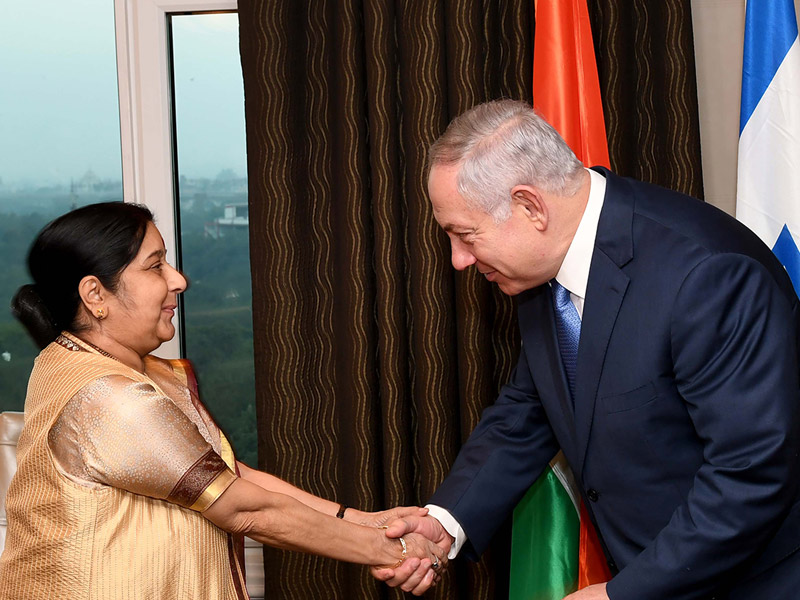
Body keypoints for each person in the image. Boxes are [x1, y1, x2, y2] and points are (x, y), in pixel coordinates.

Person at [374, 99, 800, 599]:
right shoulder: (541, 269)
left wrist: (622, 594)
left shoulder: (705, 275)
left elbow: (751, 473)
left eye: (465, 235)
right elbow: (530, 409)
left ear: (530, 206)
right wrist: (448, 523)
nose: (459, 260)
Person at [0, 202, 445, 600]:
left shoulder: (83, 359)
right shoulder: (108, 397)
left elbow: (230, 475)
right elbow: (247, 508)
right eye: (155, 267)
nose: (178, 280)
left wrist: (367, 521)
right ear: (96, 295)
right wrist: (393, 548)